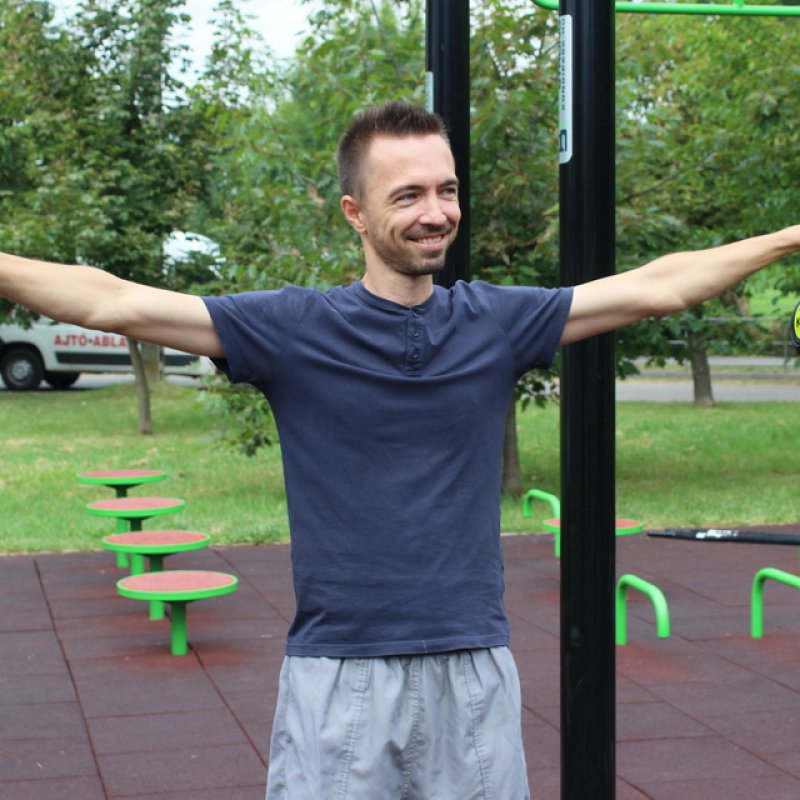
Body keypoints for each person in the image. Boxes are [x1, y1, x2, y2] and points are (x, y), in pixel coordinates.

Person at [1, 100, 799, 799]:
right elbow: (110, 300)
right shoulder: (291, 329)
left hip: (473, 666)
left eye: (447, 190)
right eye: (408, 194)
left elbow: (660, 285)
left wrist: (789, 238)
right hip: (340, 672)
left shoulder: (495, 322)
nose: (435, 212)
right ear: (354, 212)